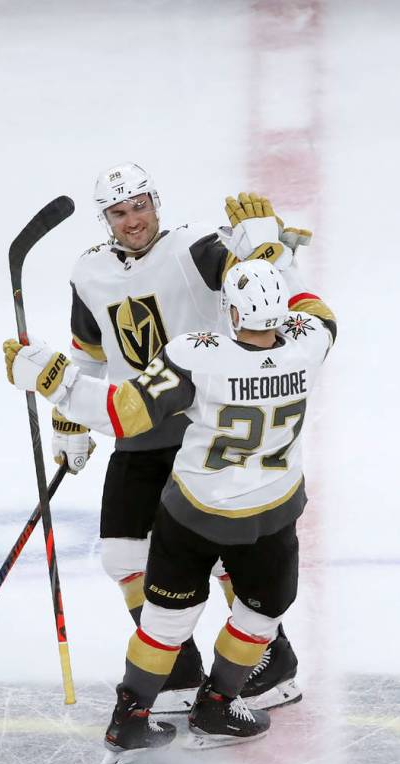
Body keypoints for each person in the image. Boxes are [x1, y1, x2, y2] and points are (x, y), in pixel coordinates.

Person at [3, 254, 335, 764]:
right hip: (269, 515)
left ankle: (128, 722)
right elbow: (317, 312)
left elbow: (124, 413)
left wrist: (56, 382)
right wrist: (273, 251)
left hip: (193, 512)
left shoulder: (197, 354)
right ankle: (219, 706)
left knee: (163, 622)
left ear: (232, 314)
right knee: (259, 616)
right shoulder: (309, 346)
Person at [48, 165, 307, 713]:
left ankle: (270, 661)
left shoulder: (193, 246)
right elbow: (88, 353)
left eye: (140, 206)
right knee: (122, 555)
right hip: (135, 424)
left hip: (198, 426)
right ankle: (178, 668)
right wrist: (70, 420)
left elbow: (256, 287)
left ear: (156, 203)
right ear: (105, 219)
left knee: (216, 554)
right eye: (119, 213)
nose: (133, 220)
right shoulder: (88, 271)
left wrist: (269, 249)